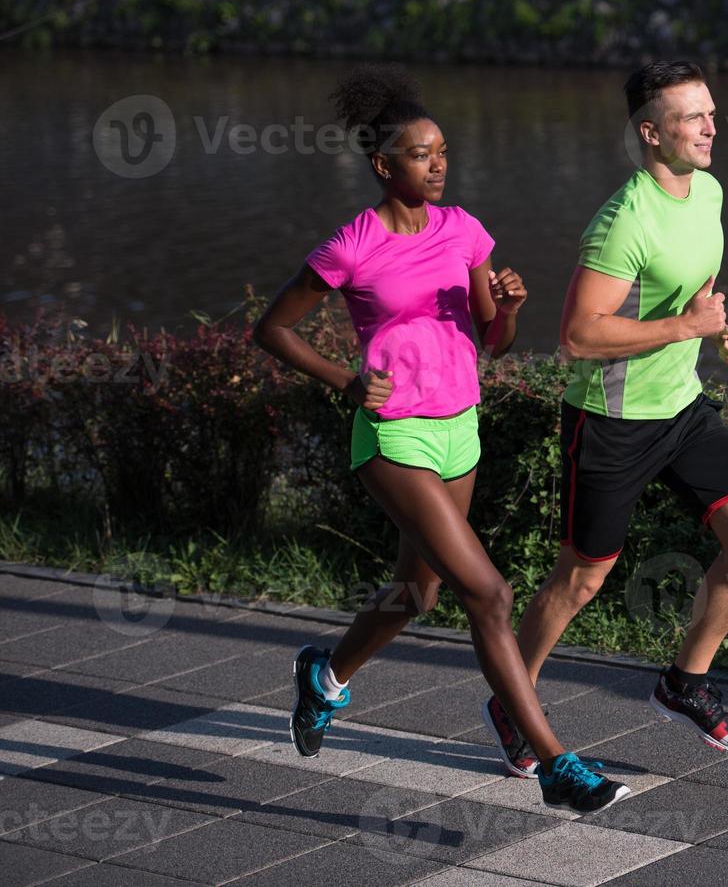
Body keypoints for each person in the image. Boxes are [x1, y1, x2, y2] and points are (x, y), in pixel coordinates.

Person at [253, 66, 628, 815]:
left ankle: (323, 676)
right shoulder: (352, 243)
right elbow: (273, 328)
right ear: (382, 165)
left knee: (416, 593)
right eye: (422, 155)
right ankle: (555, 763)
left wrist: (511, 308)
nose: (438, 164)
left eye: (443, 152)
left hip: (461, 429)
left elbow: (493, 340)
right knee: (489, 594)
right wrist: (344, 380)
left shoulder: (465, 230)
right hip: (393, 437)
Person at [483, 60, 728, 775]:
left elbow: (695, 282)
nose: (711, 127)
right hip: (610, 422)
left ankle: (683, 683)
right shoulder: (622, 222)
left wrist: (713, 324)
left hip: (680, 410)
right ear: (651, 133)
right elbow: (580, 334)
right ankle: (510, 699)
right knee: (581, 579)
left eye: (711, 112)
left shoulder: (707, 190)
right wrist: (686, 326)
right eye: (691, 117)